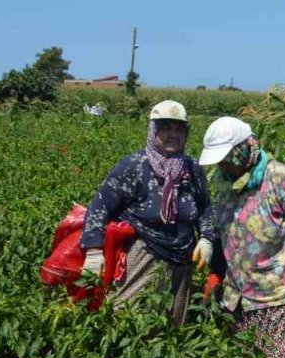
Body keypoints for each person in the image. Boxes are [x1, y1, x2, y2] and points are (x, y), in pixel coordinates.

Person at [198, 117, 285, 358]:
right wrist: (215, 273)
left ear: (243, 149)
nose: (223, 165)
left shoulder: (279, 178)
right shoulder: (225, 185)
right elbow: (224, 235)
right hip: (239, 299)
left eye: (227, 158)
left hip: (281, 295)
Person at [80, 100, 215, 326]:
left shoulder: (192, 168)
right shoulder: (134, 166)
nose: (174, 134)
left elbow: (206, 206)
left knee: (170, 326)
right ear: (154, 131)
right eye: (166, 128)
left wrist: (207, 237)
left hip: (182, 260)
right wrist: (94, 250)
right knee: (127, 318)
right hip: (143, 254)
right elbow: (100, 205)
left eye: (180, 129)